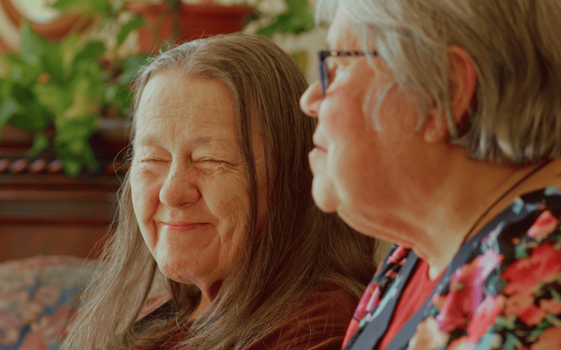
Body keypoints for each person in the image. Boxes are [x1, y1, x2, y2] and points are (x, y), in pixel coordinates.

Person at [62, 33, 376, 350]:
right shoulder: (175, 314)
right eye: (152, 158)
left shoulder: (314, 330)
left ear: (291, 173)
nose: (171, 192)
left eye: (211, 160)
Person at [299, 0, 561, 349]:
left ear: (444, 90)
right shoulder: (417, 252)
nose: (310, 98)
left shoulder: (542, 284)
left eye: (336, 67)